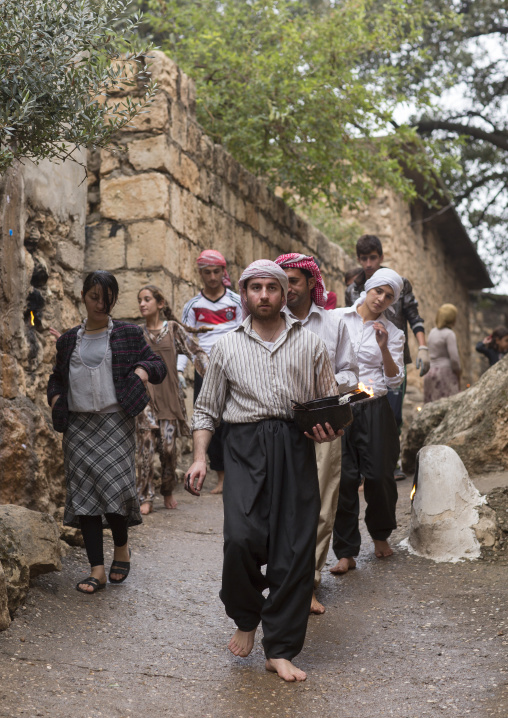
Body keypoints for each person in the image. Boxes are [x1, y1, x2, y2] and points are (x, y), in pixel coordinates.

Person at [185, 259, 342, 683]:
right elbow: (206, 410)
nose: (264, 295)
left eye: (272, 287)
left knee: (293, 550)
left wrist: (327, 429)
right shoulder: (226, 348)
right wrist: (200, 457)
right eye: (255, 288)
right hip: (243, 446)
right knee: (240, 538)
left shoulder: (310, 345)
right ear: (245, 293)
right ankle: (246, 615)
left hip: (294, 445)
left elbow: (326, 403)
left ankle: (281, 648)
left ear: (283, 292)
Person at [47, 271, 167, 594]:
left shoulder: (128, 333)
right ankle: (96, 570)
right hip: (79, 428)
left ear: (114, 298)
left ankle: (122, 547)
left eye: (107, 297)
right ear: (83, 296)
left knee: (115, 490)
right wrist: (58, 401)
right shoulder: (69, 339)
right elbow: (56, 378)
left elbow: (157, 365)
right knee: (84, 496)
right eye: (94, 297)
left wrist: (141, 372)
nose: (101, 304)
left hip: (116, 423)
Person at [275, 253, 358, 616]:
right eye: (283, 281)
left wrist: (321, 388)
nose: (287, 288)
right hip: (277, 425)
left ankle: (309, 583)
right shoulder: (270, 321)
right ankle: (281, 578)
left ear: (311, 283)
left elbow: (350, 374)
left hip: (324, 424)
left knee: (322, 506)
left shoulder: (333, 324)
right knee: (280, 504)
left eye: (293, 280)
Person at [331, 268, 405, 575]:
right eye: (379, 291)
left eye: (389, 296)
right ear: (369, 289)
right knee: (344, 478)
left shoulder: (394, 332)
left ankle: (380, 534)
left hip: (374, 406)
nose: (381, 299)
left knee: (378, 475)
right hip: (340, 404)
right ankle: (346, 551)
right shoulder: (336, 318)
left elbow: (395, 378)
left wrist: (384, 346)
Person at [345, 235, 428, 480]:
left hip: (392, 354)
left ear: (380, 257)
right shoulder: (353, 288)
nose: (368, 263)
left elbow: (413, 314)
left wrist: (422, 346)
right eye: (364, 258)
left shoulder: (398, 283)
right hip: (361, 362)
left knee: (393, 413)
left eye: (373, 257)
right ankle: (359, 469)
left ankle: (390, 462)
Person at [136, 285, 209, 514]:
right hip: (145, 401)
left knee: (168, 450)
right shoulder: (138, 334)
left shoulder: (173, 330)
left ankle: (167, 490)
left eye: (147, 299)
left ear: (160, 304)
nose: (142, 304)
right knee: (145, 449)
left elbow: (195, 351)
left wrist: (209, 372)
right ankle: (145, 497)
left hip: (169, 400)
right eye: (140, 300)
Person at [178, 249, 242, 494]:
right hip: (204, 371)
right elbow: (185, 342)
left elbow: (244, 334)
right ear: (200, 274)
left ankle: (235, 475)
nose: (213, 277)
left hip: (233, 368)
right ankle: (220, 477)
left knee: (232, 420)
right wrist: (180, 372)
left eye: (217, 271)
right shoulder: (193, 306)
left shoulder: (236, 302)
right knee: (208, 422)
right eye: (207, 272)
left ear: (223, 272)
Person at [423, 304, 461, 403]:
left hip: (430, 373)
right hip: (444, 375)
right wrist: (458, 372)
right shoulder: (449, 334)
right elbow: (454, 359)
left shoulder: (432, 332)